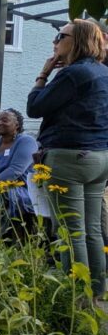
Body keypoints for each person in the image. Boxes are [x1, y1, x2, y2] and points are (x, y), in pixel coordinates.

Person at [27, 19, 108, 303]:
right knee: (92, 231)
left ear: (77, 41)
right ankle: (96, 292)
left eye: (60, 36)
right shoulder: (103, 72)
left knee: (71, 231)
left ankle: (76, 301)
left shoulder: (73, 74)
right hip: (99, 157)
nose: (55, 42)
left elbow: (35, 107)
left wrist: (43, 74)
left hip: (69, 157)